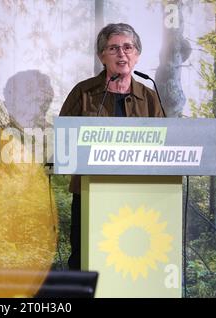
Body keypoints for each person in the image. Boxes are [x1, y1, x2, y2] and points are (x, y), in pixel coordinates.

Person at [59, 23, 165, 270]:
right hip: (89, 192)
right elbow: (63, 137)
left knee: (129, 262)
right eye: (114, 48)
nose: (122, 54)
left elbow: (163, 143)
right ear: (101, 56)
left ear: (137, 55)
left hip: (136, 196)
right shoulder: (84, 92)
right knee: (84, 259)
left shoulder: (150, 97)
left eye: (128, 47)